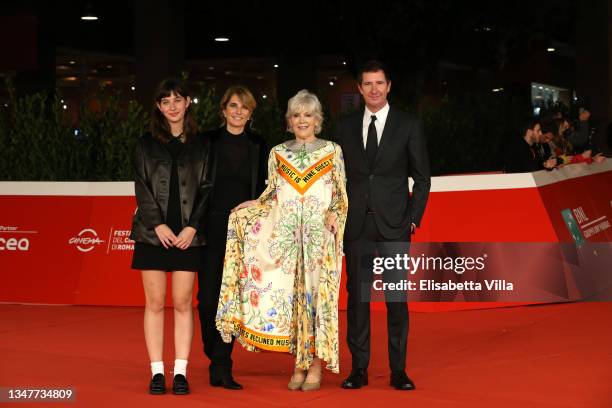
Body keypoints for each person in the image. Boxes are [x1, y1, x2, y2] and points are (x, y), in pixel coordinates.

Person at [216, 89, 348, 392]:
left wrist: (334, 216)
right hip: (287, 238)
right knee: (293, 300)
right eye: (297, 115)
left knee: (316, 300)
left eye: (308, 114)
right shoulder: (278, 153)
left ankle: (315, 365)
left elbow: (341, 196)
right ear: (289, 120)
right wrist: (253, 207)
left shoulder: (332, 151)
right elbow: (272, 195)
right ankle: (299, 364)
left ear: (318, 119)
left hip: (319, 240)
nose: (303, 120)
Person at [334, 60, 430, 391]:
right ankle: (358, 369)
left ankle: (398, 370)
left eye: (380, 83)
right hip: (357, 226)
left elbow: (422, 177)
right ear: (359, 89)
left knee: (396, 299)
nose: (374, 89)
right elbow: (336, 177)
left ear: (389, 85)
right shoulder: (345, 126)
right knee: (358, 300)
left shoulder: (408, 124)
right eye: (367, 84)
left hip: (394, 227)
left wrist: (413, 217)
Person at [130, 78, 212, 395]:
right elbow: (142, 187)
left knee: (182, 304)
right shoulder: (144, 144)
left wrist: (192, 227)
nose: (173, 106)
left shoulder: (203, 144)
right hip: (153, 236)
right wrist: (157, 225)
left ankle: (180, 371)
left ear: (188, 102)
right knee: (154, 303)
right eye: (166, 101)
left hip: (188, 236)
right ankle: (156, 372)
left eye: (178, 99)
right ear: (159, 107)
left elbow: (207, 188)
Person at [197, 86, 268, 390]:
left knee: (234, 300)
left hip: (244, 231)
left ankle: (222, 363)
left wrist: (258, 204)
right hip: (210, 227)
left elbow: (269, 188)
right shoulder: (206, 141)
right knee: (208, 297)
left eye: (245, 108)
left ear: (251, 114)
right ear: (223, 109)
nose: (239, 112)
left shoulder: (259, 145)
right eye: (234, 106)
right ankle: (213, 350)